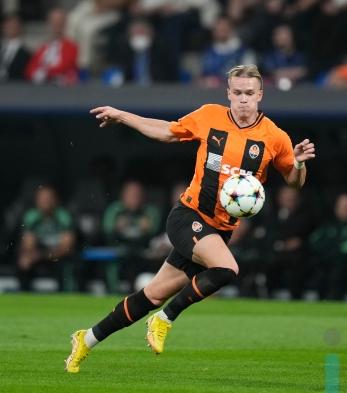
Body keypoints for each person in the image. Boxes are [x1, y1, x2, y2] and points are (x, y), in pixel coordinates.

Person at [65, 64, 316, 373]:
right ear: (228, 94)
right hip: (188, 217)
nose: (243, 99)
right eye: (237, 93)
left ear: (260, 95)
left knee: (152, 294)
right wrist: (122, 116)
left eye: (249, 93)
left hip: (220, 231)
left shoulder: (274, 137)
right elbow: (166, 131)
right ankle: (165, 319)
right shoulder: (210, 116)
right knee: (227, 269)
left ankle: (87, 339)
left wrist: (299, 164)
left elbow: (294, 181)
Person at [17, 185, 76, 292]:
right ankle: (24, 296)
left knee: (66, 266)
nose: (46, 202)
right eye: (43, 199)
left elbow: (66, 248)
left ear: (55, 200)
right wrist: (29, 256)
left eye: (49, 199)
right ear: (37, 201)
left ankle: (65, 296)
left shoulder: (63, 216)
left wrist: (42, 255)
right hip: (39, 255)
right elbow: (28, 245)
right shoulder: (31, 217)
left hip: (57, 257)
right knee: (23, 262)